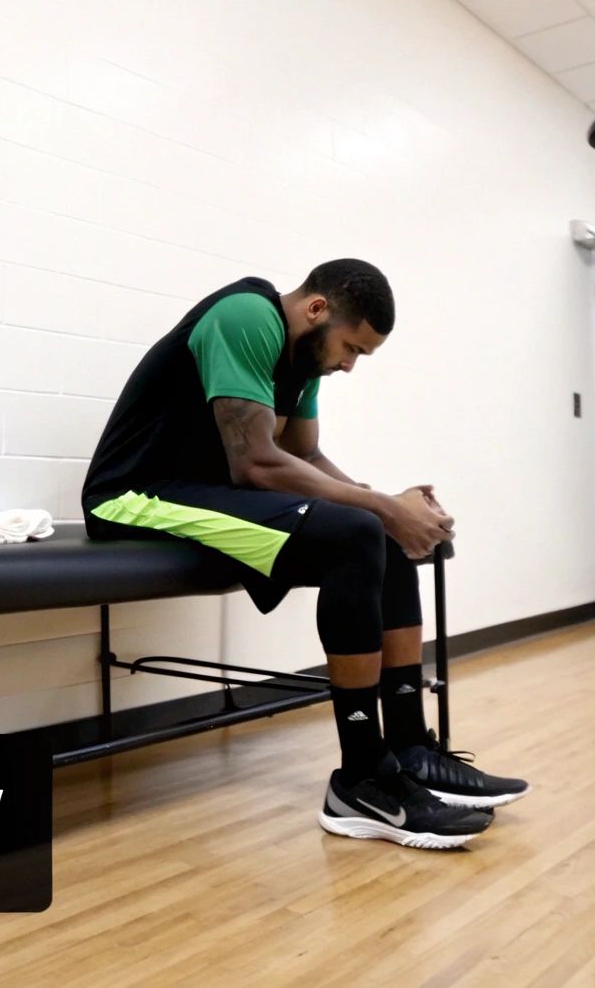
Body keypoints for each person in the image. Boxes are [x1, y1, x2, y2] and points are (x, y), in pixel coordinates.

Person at [80, 259, 528, 850]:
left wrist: (391, 506)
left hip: (205, 493)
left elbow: (304, 458)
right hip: (135, 496)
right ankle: (361, 778)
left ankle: (409, 750)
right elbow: (257, 464)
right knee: (362, 529)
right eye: (352, 348)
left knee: (376, 529)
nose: (348, 364)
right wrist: (382, 507)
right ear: (317, 310)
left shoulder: (302, 355)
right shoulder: (246, 316)